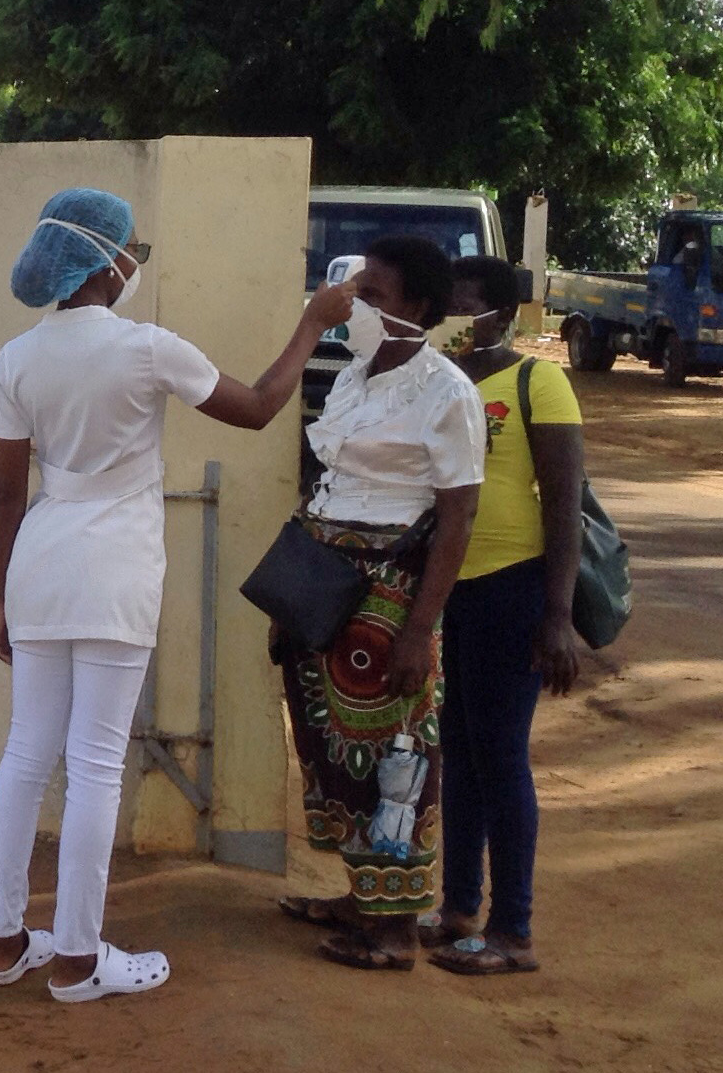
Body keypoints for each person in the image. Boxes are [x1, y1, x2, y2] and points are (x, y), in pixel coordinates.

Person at [0, 188, 354, 1002]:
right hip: (113, 570)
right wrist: (313, 324)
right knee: (96, 762)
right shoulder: (147, 349)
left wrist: (1, 599)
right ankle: (79, 958)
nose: (132, 266)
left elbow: (8, 495)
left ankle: (4, 942)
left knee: (26, 752)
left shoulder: (17, 357)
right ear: (105, 262)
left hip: (39, 564)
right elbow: (256, 409)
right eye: (132, 254)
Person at [274, 234, 485, 971]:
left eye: (374, 297)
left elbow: (458, 515)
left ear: (418, 309)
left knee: (393, 754)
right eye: (357, 293)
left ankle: (394, 927)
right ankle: (362, 895)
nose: (355, 307)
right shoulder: (355, 378)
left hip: (390, 595)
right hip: (327, 585)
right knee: (333, 749)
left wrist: (419, 628)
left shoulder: (447, 393)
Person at [424, 256, 588, 975]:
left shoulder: (537, 382)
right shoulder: (439, 381)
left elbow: (563, 499)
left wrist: (557, 613)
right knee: (456, 752)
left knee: (499, 757)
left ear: (494, 310)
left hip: (511, 587)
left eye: (459, 301)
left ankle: (512, 929)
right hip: (450, 589)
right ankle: (459, 906)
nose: (450, 314)